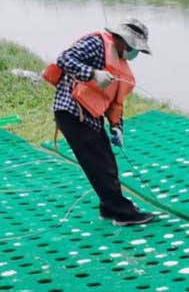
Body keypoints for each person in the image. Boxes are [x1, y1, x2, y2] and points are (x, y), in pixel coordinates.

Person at [45, 19, 155, 226]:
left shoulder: (122, 67)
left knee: (108, 162)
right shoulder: (97, 43)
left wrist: (117, 127)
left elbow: (115, 103)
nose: (133, 53)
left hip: (91, 117)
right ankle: (123, 213)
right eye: (133, 48)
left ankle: (108, 208)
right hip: (71, 111)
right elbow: (64, 59)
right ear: (122, 40)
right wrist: (93, 74)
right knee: (98, 164)